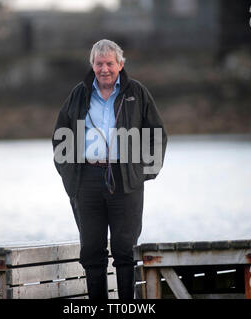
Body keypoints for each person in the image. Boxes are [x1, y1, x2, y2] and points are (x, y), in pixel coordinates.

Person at [52, 39, 167, 299]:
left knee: (125, 250)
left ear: (120, 65)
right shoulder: (79, 94)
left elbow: (157, 135)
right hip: (86, 180)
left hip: (125, 179)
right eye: (99, 63)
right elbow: (60, 136)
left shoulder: (136, 92)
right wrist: (70, 174)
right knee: (92, 251)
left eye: (110, 63)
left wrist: (143, 172)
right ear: (92, 65)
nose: (104, 69)